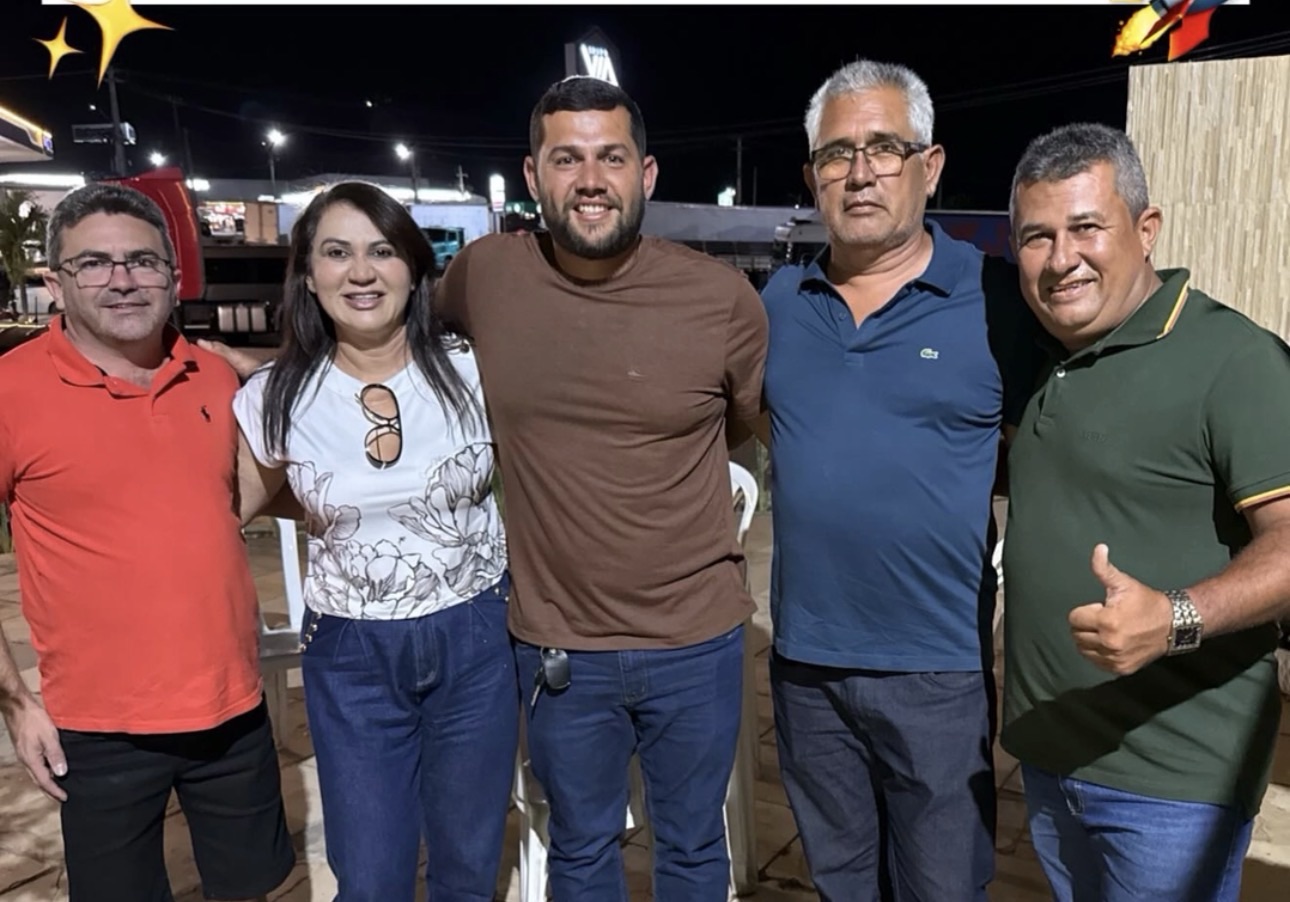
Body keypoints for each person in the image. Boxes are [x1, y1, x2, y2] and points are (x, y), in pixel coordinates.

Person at [435, 76, 768, 900]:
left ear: (645, 175)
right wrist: (264, 375)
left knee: (692, 848)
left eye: (611, 157)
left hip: (696, 640)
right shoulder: (484, 276)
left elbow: (744, 428)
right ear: (533, 175)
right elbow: (381, 341)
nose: (590, 179)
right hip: (559, 649)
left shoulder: (720, 300)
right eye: (567, 159)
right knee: (579, 847)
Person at [751, 59, 1041, 901]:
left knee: (942, 888)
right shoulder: (779, 304)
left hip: (937, 672)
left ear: (931, 165)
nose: (860, 169)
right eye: (837, 153)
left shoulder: (996, 304)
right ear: (812, 178)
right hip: (804, 667)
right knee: (842, 884)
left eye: (885, 146)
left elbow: (1050, 448)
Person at [1000, 122, 1290, 902]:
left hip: (1169, 777)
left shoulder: (1233, 359)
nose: (1062, 259)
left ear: (1146, 228)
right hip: (1050, 750)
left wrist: (1175, 617)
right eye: (1037, 237)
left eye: (1086, 227)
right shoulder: (1045, 357)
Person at [0, 182, 294, 902]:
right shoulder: (10, 390)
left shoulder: (215, 376)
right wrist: (15, 703)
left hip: (233, 710)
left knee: (250, 889)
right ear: (55, 281)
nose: (124, 280)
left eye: (142, 261)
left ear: (173, 273)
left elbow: (250, 498)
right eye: (94, 263)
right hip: (100, 729)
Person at [230, 181, 514, 902]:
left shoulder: (475, 373)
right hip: (351, 655)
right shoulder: (275, 397)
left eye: (382, 251)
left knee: (468, 863)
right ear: (308, 274)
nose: (361, 272)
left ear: (414, 269)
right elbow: (227, 509)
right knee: (372, 872)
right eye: (337, 253)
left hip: (476, 636)